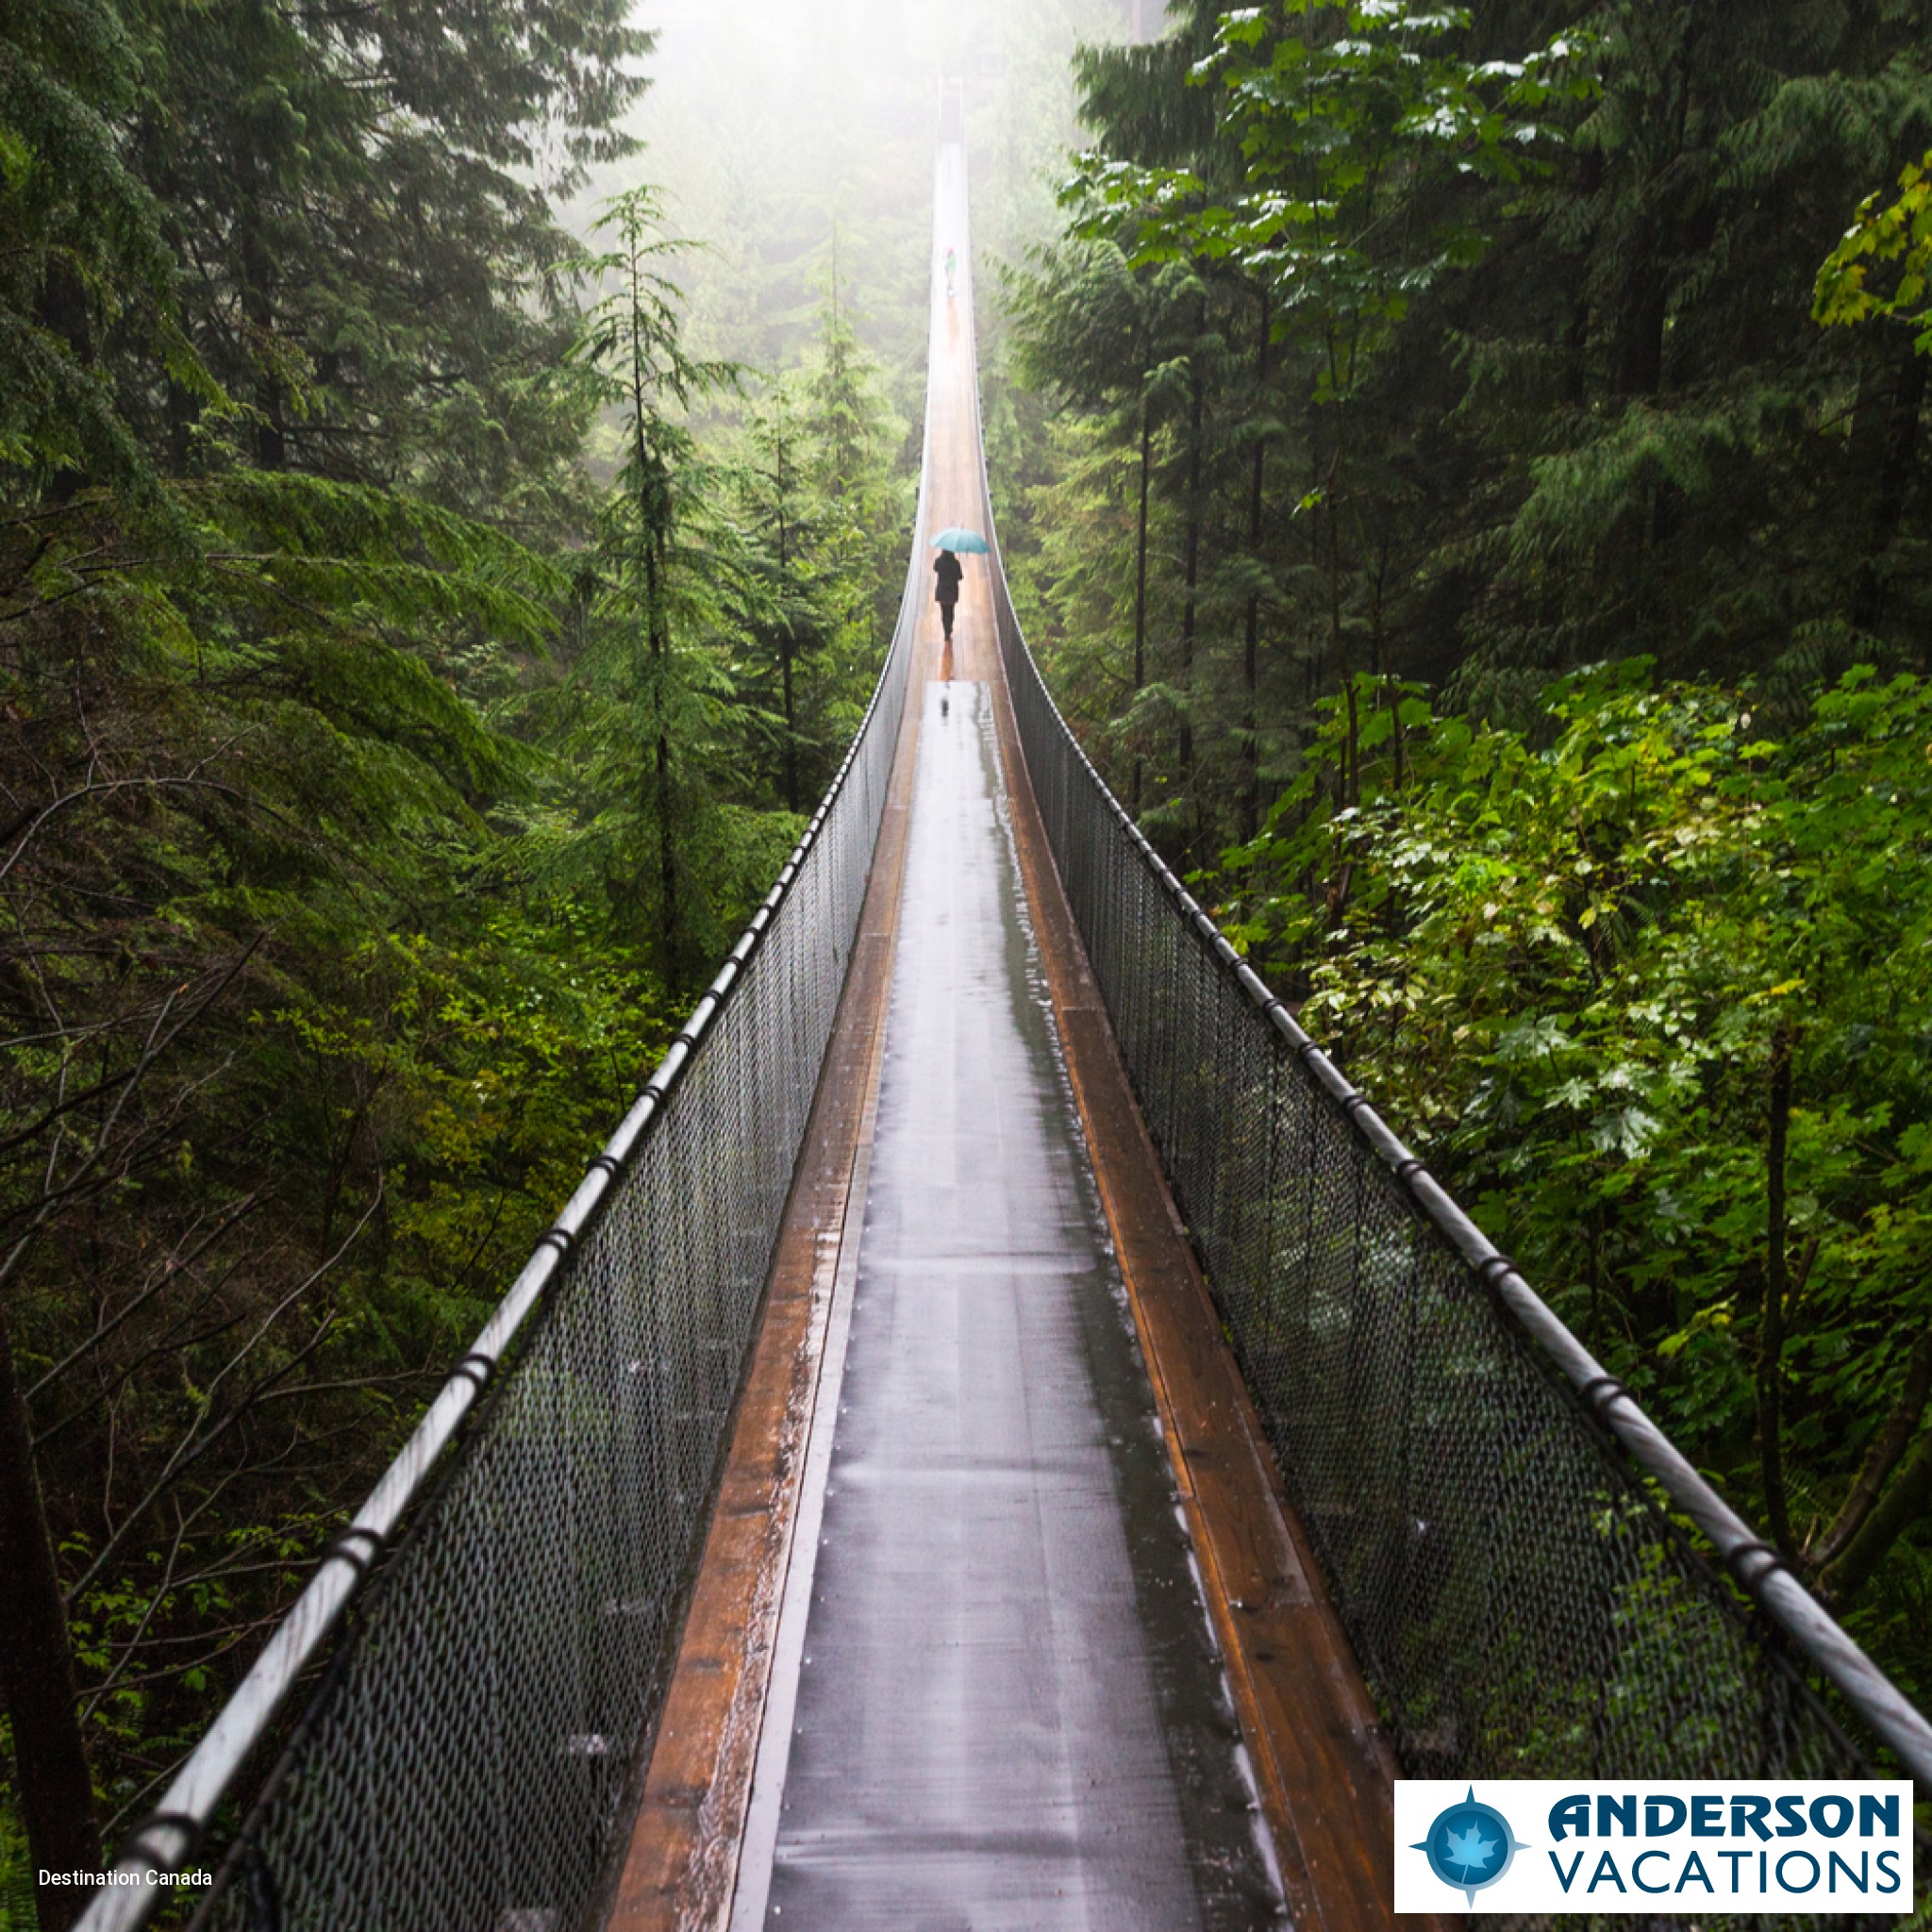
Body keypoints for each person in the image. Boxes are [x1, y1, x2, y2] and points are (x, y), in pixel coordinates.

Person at [933, 546, 963, 641]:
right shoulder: (955, 563)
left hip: (942, 589)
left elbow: (935, 569)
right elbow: (960, 577)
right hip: (952, 589)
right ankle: (949, 629)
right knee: (950, 610)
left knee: (943, 611)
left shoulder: (939, 561)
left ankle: (946, 631)